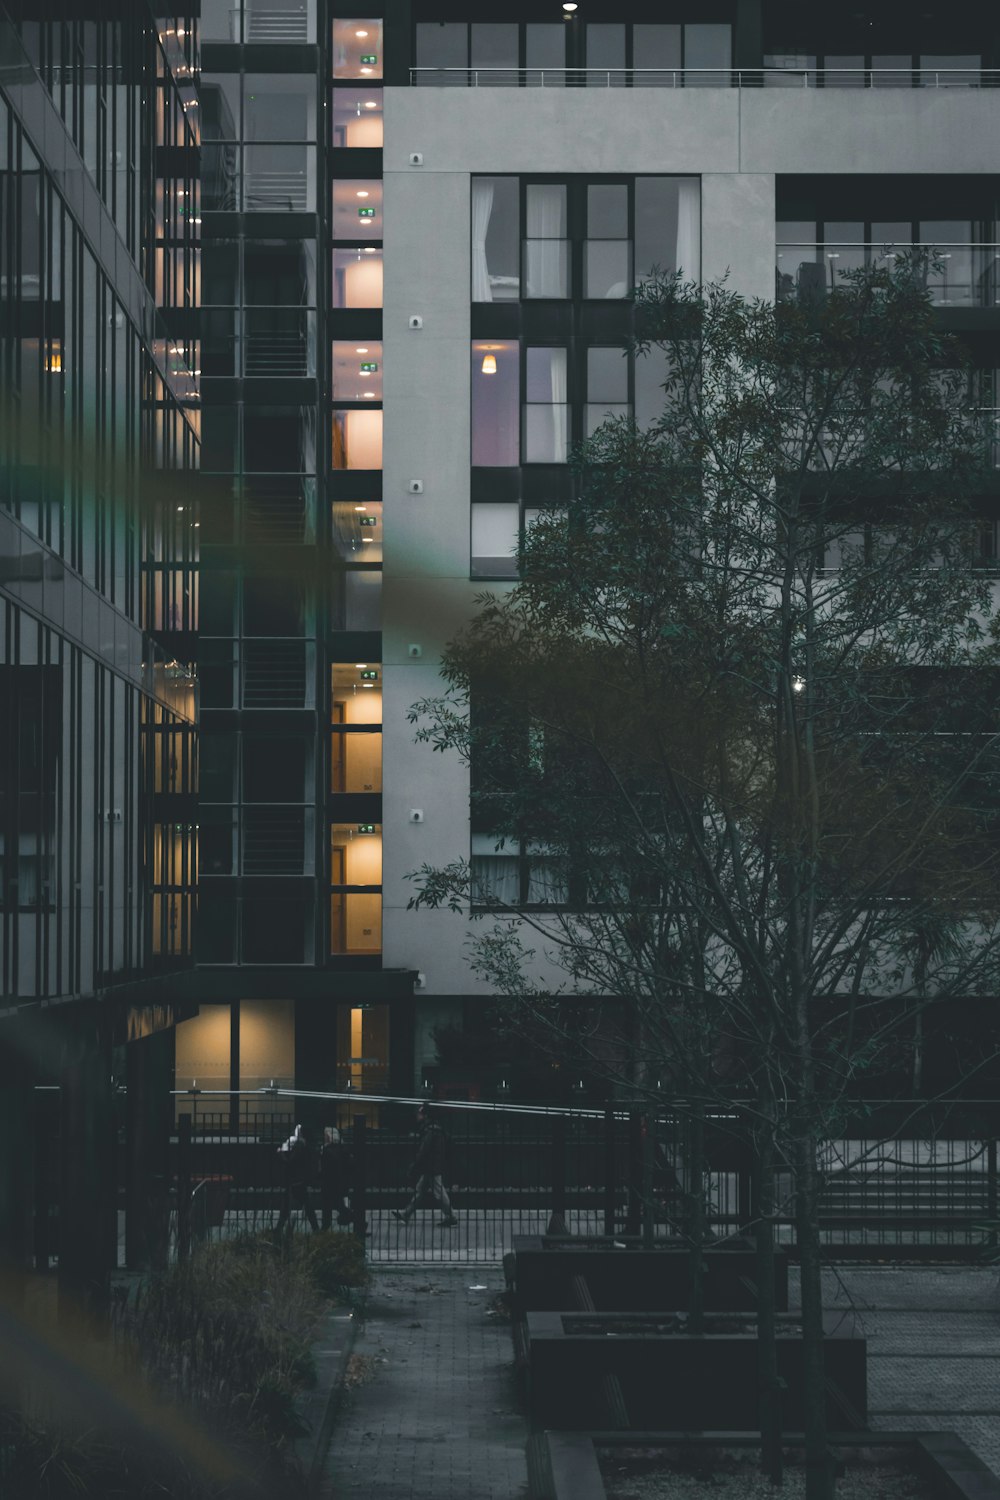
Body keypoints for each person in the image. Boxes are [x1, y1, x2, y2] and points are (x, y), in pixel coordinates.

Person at [393, 1105, 457, 1226]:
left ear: (425, 1116)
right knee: (420, 1191)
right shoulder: (434, 1129)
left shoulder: (430, 1131)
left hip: (431, 1167)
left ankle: (451, 1217)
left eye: (420, 1114)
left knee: (438, 1193)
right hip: (431, 1166)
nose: (418, 1116)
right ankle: (406, 1214)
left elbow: (424, 1151)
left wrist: (414, 1165)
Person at [275, 1123, 320, 1232]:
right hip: (301, 1179)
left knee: (287, 1205)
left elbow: (290, 1162)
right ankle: (316, 1229)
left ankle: (278, 1229)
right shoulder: (307, 1145)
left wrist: (280, 1153)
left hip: (295, 1180)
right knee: (306, 1205)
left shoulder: (299, 1145)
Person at [321, 1124, 353, 1229]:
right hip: (340, 1181)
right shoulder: (342, 1148)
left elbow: (326, 1167)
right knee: (337, 1204)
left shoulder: (327, 1150)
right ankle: (358, 1220)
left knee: (330, 1205)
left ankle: (325, 1227)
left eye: (326, 1135)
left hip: (330, 1182)